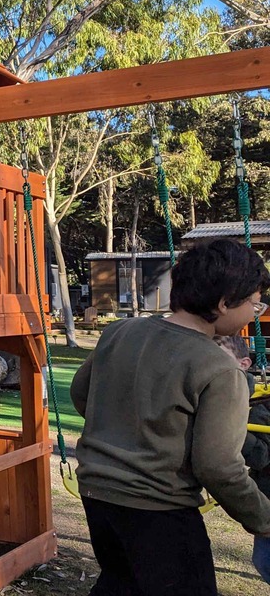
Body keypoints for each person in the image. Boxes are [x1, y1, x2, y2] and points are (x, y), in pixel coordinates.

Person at [70, 238, 270, 595]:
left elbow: (82, 395)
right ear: (225, 303)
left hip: (98, 495)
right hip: (160, 509)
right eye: (255, 305)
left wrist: (127, 431)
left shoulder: (119, 332)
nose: (254, 314)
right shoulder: (220, 370)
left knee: (121, 584)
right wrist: (264, 519)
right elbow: (218, 466)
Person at [221, 333, 270, 585]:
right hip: (268, 495)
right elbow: (260, 456)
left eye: (221, 359)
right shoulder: (262, 406)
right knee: (264, 560)